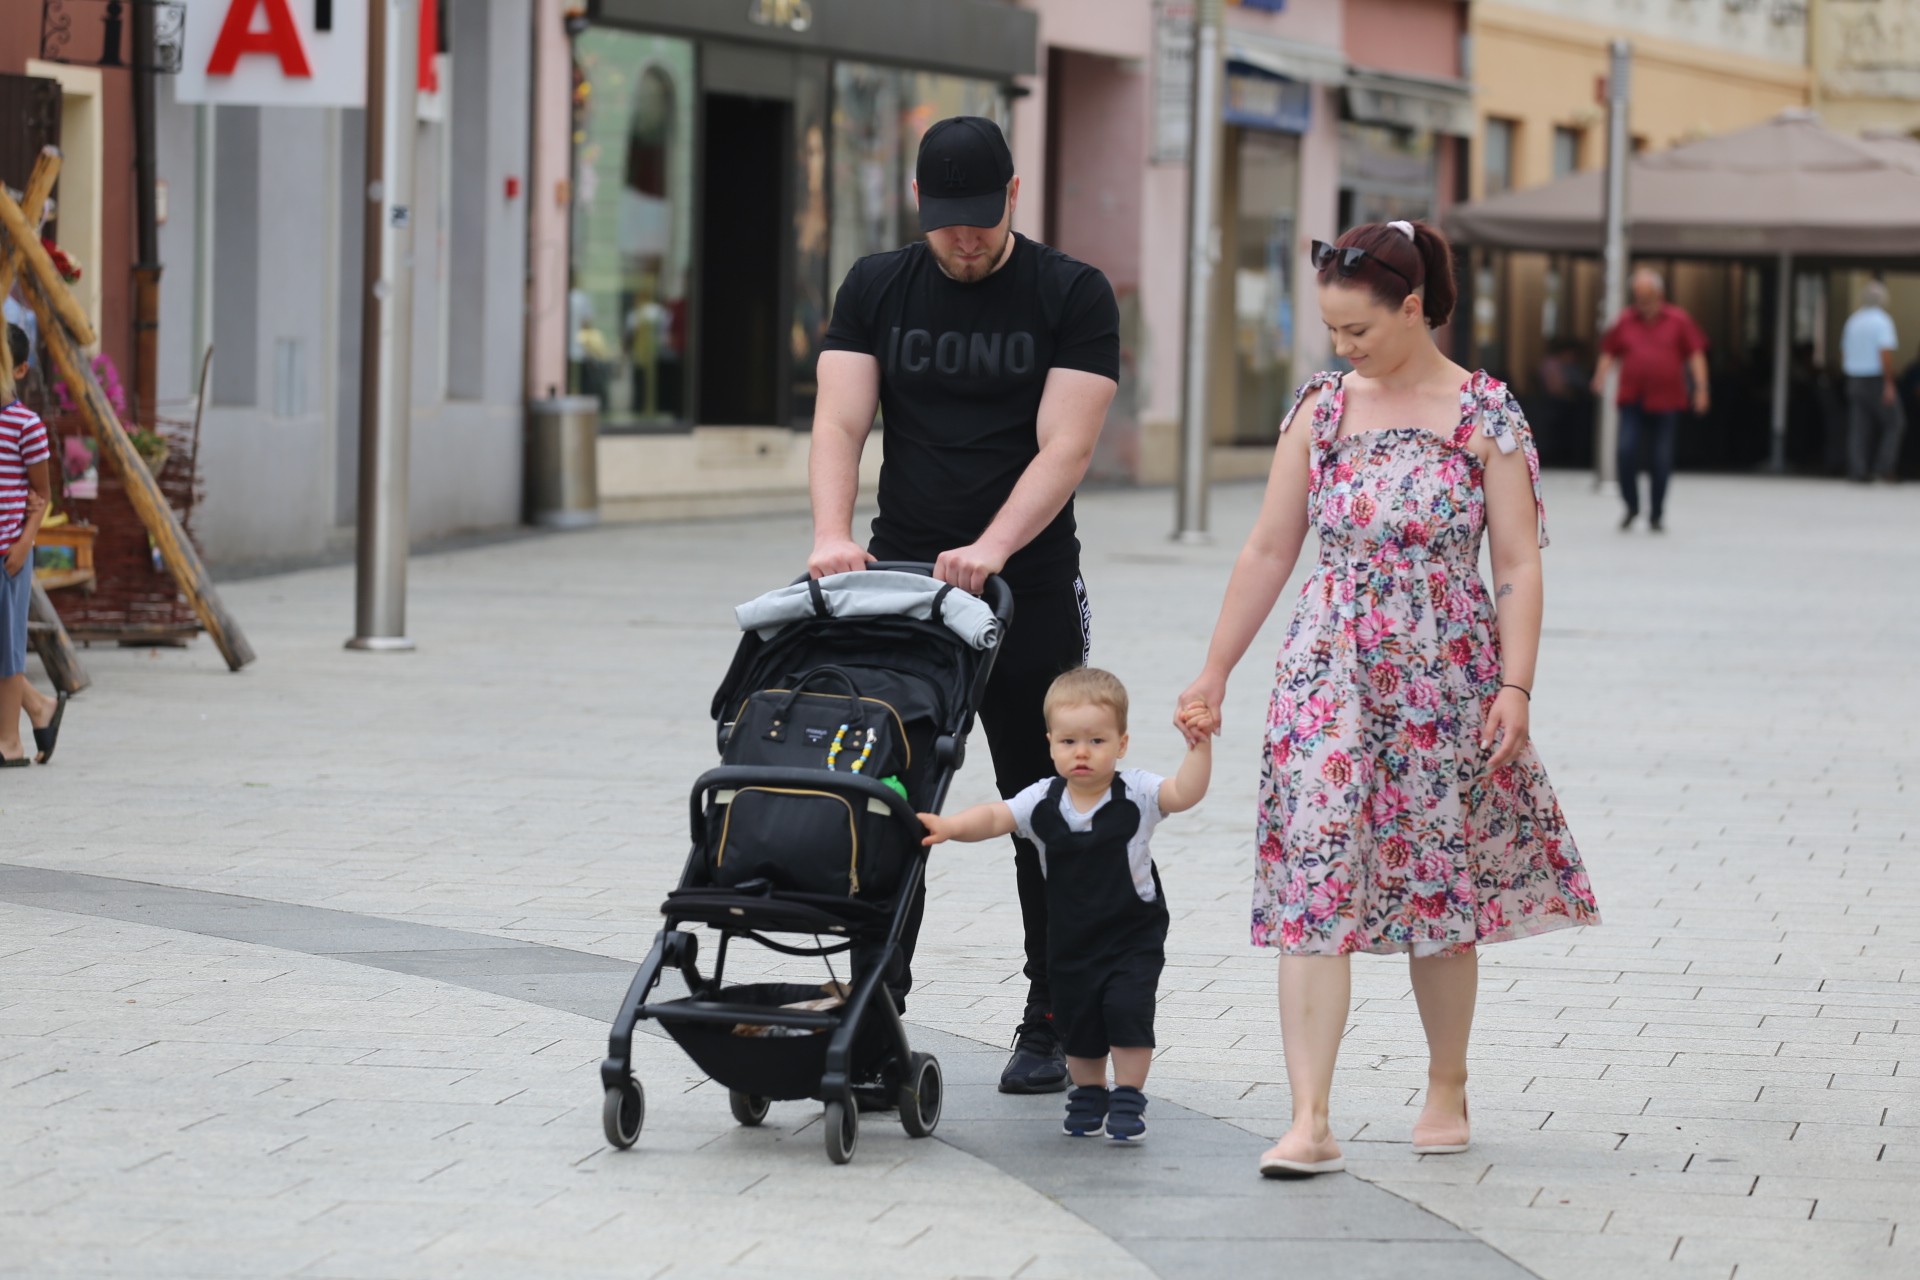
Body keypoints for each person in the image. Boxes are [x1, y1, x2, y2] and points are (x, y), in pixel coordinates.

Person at [1176, 220, 1601, 1178]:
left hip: (1444, 678)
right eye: (1331, 330)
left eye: (1357, 330)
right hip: (1327, 672)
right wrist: (1216, 670)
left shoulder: (1486, 414)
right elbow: (1270, 549)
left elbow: (1520, 565)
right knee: (1314, 879)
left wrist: (1516, 687)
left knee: (1434, 886)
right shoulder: (1321, 410)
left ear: (1415, 306)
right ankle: (1309, 1118)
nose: (1342, 347)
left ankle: (1445, 1081)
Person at [809, 116, 1120, 1093]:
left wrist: (991, 547)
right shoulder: (875, 287)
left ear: (1014, 196)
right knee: (889, 800)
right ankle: (873, 1001)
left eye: (981, 221)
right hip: (906, 593)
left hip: (1028, 590)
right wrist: (831, 530)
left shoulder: (1071, 293)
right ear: (921, 209)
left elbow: (1064, 448)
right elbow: (840, 416)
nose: (966, 239)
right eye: (949, 225)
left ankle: (1055, 1009)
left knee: (1047, 804)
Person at [917, 669, 1213, 1142]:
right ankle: (1090, 1090)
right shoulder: (1041, 800)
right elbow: (996, 815)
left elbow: (1185, 792)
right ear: (1051, 743)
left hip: (1132, 938)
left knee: (1126, 1013)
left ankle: (1129, 1094)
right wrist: (951, 826)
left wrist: (1199, 747)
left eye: (1097, 740)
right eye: (1069, 740)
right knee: (1078, 1023)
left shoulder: (1135, 791)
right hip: (1071, 941)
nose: (1082, 752)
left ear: (1121, 744)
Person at [1593, 268, 1708, 530]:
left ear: (1660, 294)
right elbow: (1610, 351)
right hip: (1633, 398)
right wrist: (1600, 376)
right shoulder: (1625, 320)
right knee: (1626, 451)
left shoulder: (1678, 320)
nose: (1642, 302)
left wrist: (1701, 388)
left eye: (1647, 296)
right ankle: (1632, 506)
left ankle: (1656, 512)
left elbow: (1695, 354)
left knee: (1661, 458)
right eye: (1638, 296)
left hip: (1667, 400)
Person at [2, 322, 65, 767]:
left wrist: (24, 546)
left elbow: (41, 496)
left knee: (7, 650)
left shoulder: (26, 425)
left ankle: (10, 742)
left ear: (21, 370)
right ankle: (40, 706)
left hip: (8, 555)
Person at [1840, 279, 1904, 484]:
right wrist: (1889, 384)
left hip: (1854, 379)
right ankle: (1883, 468)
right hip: (1874, 379)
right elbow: (1884, 353)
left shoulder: (1853, 320)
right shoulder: (1882, 321)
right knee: (1895, 423)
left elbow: (1843, 353)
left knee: (1859, 427)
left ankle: (1858, 470)